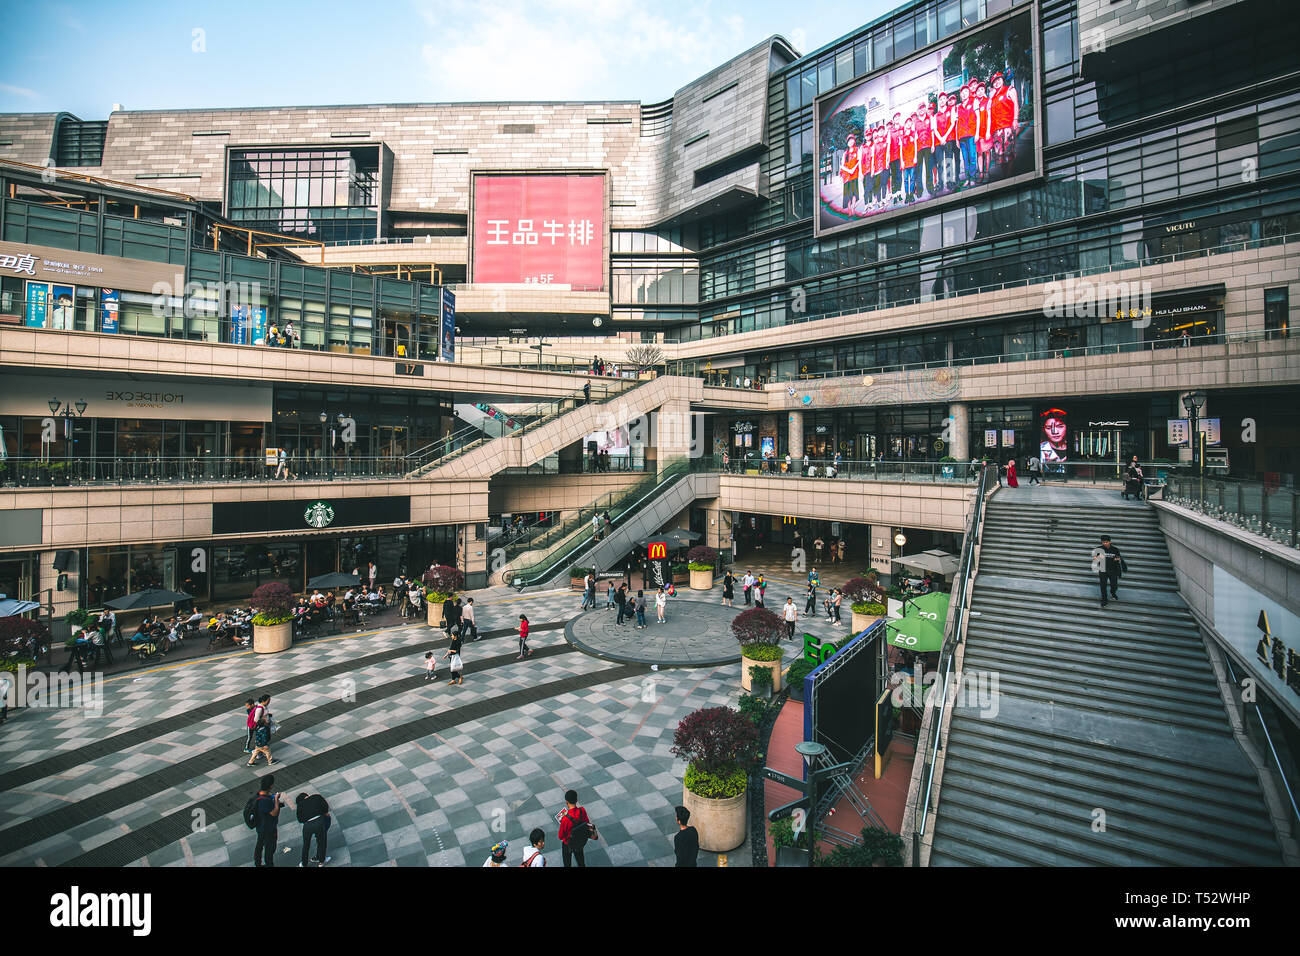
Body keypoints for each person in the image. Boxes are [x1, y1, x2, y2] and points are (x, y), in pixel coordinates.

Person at [557, 789, 597, 868]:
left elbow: (560, 836)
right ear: (576, 800)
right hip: (579, 840)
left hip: (568, 844)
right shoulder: (582, 810)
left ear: (567, 802)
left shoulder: (565, 819)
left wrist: (563, 822)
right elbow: (586, 823)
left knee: (567, 864)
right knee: (581, 862)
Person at [251, 775, 283, 867]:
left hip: (260, 826)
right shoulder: (265, 801)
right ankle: (269, 864)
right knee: (270, 848)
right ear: (271, 786)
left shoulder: (258, 795)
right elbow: (274, 813)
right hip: (268, 828)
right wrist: (276, 800)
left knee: (259, 845)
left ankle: (257, 863)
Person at [296, 791, 331, 867]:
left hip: (308, 825)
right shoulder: (316, 797)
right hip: (319, 821)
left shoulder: (300, 805)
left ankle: (304, 863)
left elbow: (300, 819)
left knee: (306, 845)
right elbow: (325, 807)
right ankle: (321, 862)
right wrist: (323, 812)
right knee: (321, 841)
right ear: (307, 796)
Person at [1096, 535, 1126, 608]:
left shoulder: (1115, 549)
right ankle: (1104, 600)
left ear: (1110, 542)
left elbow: (1119, 558)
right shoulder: (1099, 549)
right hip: (1103, 570)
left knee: (1114, 585)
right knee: (1103, 586)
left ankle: (1113, 593)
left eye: (1106, 542)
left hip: (1113, 570)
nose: (1105, 543)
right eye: (1103, 542)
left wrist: (1118, 560)